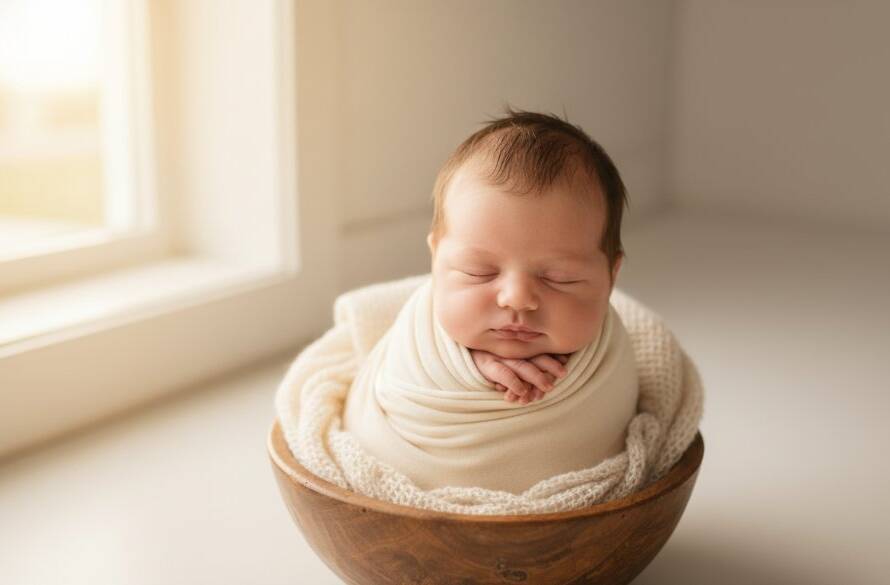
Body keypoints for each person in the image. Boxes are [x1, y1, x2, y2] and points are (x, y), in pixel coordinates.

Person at [427, 107, 629, 405]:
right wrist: (466, 367)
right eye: (478, 271)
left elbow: (615, 414)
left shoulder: (615, 355)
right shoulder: (417, 338)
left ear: (611, 277)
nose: (517, 298)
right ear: (435, 261)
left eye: (560, 278)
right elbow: (397, 378)